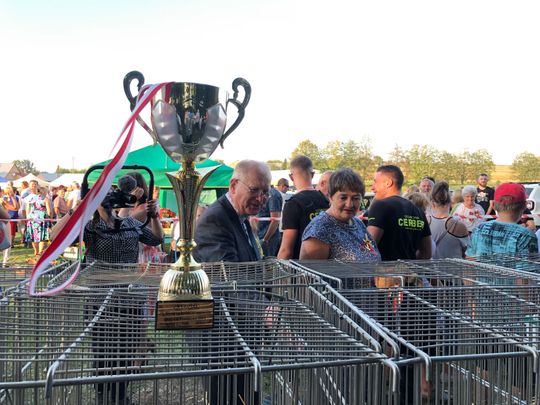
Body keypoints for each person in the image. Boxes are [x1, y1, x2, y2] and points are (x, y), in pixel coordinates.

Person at [194, 160, 272, 262]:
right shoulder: (215, 221)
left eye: (265, 192)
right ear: (234, 186)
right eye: (254, 190)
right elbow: (227, 270)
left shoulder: (241, 216)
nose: (260, 198)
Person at [300, 168, 380, 261]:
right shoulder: (319, 230)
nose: (349, 204)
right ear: (330, 197)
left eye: (355, 198)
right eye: (343, 197)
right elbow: (310, 270)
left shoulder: (358, 223)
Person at [367, 165, 432, 260]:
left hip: (384, 269)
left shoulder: (380, 205)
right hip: (410, 269)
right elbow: (427, 253)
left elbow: (368, 247)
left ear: (388, 183)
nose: (372, 188)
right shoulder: (418, 211)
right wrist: (408, 262)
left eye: (375, 182)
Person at [466, 183, 538, 258]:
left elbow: (469, 259)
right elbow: (528, 265)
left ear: (493, 205)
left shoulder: (479, 229)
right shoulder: (526, 236)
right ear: (525, 206)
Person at [277, 156, 329, 259]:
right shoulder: (325, 200)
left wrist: (278, 267)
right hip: (325, 264)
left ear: (291, 177)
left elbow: (286, 250)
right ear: (312, 174)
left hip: (300, 265)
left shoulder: (293, 204)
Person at [428, 181, 469, 259]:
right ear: (450, 202)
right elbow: (467, 251)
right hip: (453, 266)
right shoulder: (459, 225)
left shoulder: (426, 222)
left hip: (430, 266)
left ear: (432, 203)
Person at [24, 182, 53, 259]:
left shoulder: (31, 199)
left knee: (33, 235)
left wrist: (27, 218)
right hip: (42, 219)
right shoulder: (45, 199)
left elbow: (27, 209)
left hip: (32, 218)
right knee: (42, 236)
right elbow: (49, 211)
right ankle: (40, 252)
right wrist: (50, 218)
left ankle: (36, 251)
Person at [256, 185, 282, 256]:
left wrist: (265, 239)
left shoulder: (272, 195)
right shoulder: (263, 192)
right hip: (260, 236)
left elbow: (275, 220)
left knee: (267, 261)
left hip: (268, 238)